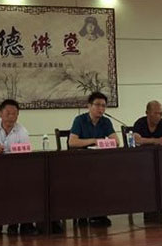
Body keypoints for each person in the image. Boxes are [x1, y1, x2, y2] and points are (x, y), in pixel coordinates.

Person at [0, 99, 36, 236]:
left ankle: (24, 223)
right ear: (0, 114)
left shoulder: (22, 130)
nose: (11, 117)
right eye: (8, 113)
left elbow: (26, 155)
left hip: (15, 170)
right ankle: (13, 222)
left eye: (14, 114)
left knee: (26, 185)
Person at [68, 91, 118, 227]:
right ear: (89, 106)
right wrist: (94, 140)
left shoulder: (105, 121)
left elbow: (116, 141)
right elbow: (72, 142)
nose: (101, 109)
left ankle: (99, 212)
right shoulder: (80, 120)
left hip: (100, 161)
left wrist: (102, 142)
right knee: (86, 180)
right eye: (97, 105)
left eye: (103, 106)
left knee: (106, 178)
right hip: (80, 162)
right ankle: (83, 213)